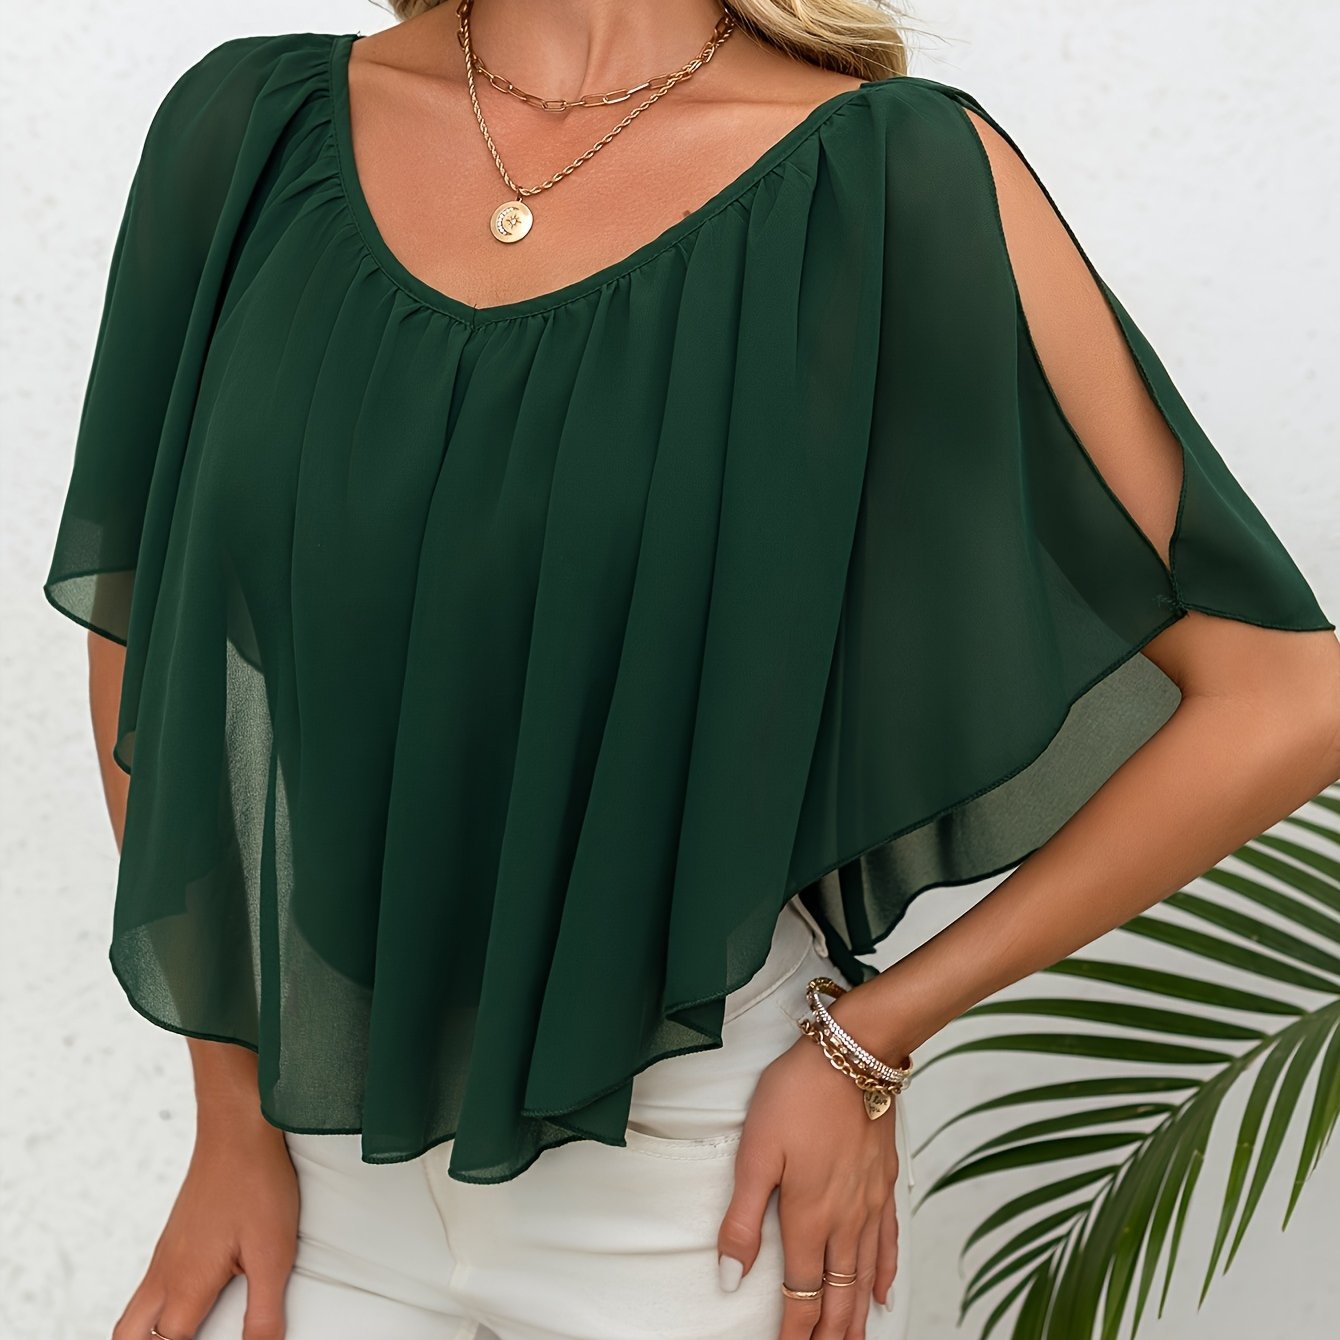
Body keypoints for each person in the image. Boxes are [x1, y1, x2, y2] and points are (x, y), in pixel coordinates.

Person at [42, 2, 1338, 1338]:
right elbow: (142, 630)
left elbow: (1285, 696)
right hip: (315, 1162)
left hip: (692, 1188)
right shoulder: (250, 134)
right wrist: (228, 1109)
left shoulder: (885, 180)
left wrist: (871, 1039)